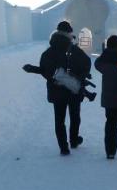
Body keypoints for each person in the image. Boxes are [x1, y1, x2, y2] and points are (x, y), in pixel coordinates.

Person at [38, 21, 92, 155]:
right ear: (69, 34)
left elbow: (45, 70)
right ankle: (73, 140)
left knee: (59, 120)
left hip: (56, 91)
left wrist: (57, 79)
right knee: (75, 116)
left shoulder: (49, 52)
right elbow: (86, 63)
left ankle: (63, 147)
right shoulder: (75, 50)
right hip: (74, 90)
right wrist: (79, 77)